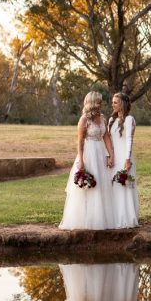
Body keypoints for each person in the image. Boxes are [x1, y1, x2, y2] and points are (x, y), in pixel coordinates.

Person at [60, 91, 116, 230]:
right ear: (91, 102)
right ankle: (84, 219)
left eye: (101, 101)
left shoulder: (102, 118)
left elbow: (107, 137)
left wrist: (111, 155)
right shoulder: (84, 119)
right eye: (98, 101)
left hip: (100, 153)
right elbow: (79, 141)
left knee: (101, 185)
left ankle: (99, 219)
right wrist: (81, 160)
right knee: (87, 187)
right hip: (88, 154)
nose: (101, 103)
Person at [108, 91, 139, 228]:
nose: (112, 104)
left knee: (124, 186)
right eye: (112, 102)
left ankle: (126, 219)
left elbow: (129, 140)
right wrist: (108, 156)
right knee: (113, 186)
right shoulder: (111, 120)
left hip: (124, 157)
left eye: (115, 102)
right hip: (114, 158)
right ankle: (113, 218)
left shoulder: (129, 119)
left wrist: (127, 159)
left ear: (122, 104)